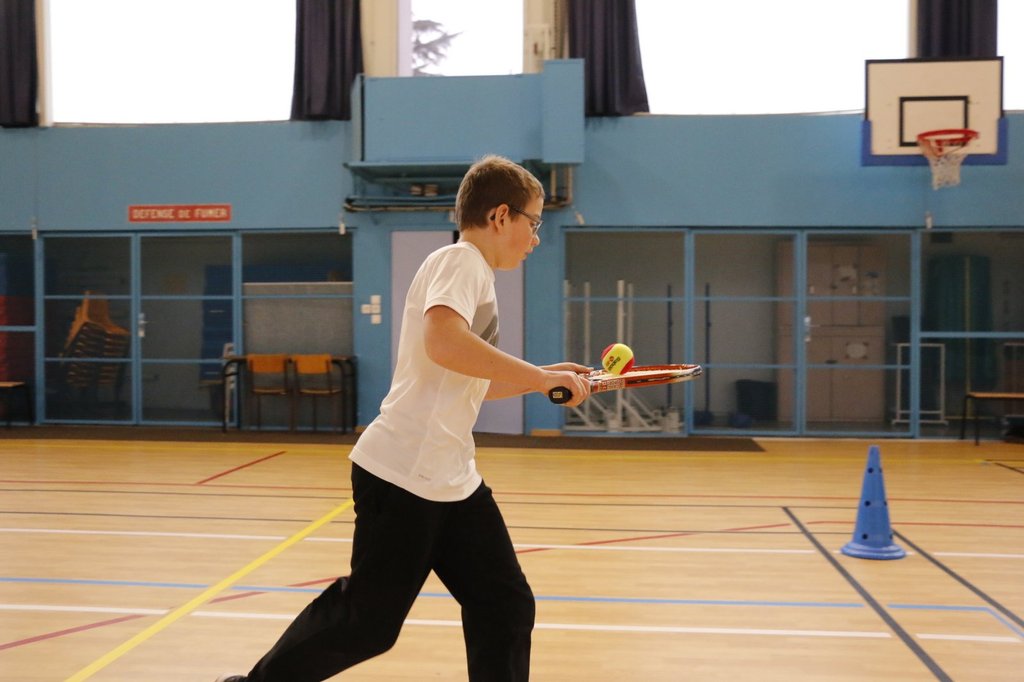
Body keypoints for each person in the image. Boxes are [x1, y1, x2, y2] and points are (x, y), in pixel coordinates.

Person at [216, 155, 591, 682]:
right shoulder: (461, 261)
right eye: (534, 222)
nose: (536, 237)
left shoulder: (474, 275)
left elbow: (472, 378)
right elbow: (444, 343)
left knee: (504, 604)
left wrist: (545, 378)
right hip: (403, 475)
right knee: (367, 623)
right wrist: (538, 376)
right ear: (501, 215)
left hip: (452, 480)